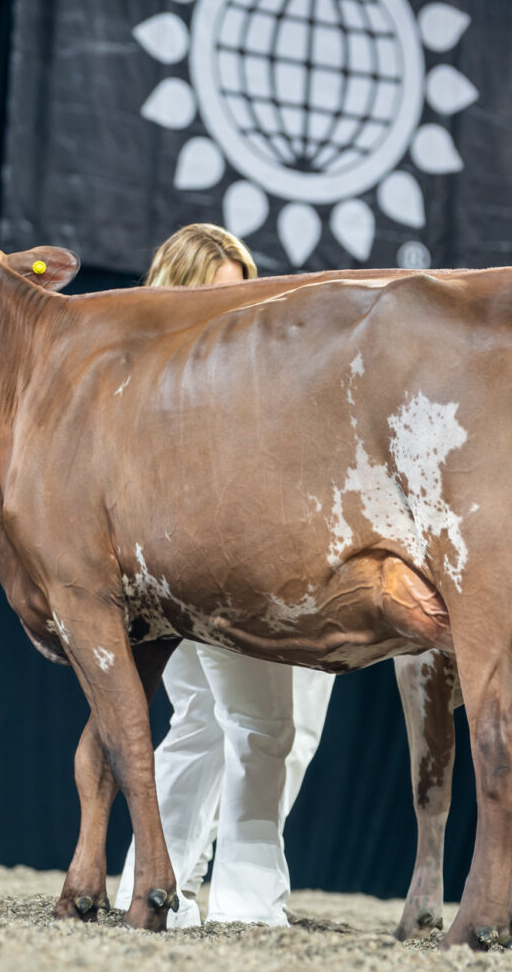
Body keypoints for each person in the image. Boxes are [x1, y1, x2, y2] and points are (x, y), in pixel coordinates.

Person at [115, 224, 337, 928]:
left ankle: (154, 885)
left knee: (205, 726)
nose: (234, 309)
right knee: (267, 729)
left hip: (167, 575)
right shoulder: (218, 376)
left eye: (242, 295)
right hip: (234, 568)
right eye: (217, 294)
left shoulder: (135, 366)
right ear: (178, 290)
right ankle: (248, 901)